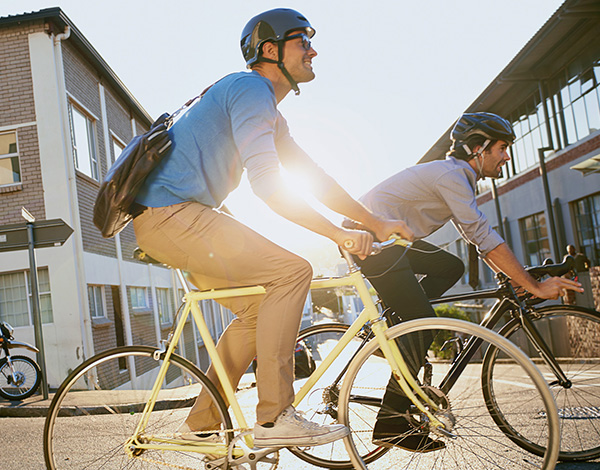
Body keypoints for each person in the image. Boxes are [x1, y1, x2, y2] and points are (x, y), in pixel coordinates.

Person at [132, 8, 413, 450]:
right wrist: (336, 235)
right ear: (270, 50)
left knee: (256, 310)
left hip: (173, 219)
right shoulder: (250, 88)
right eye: (303, 41)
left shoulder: (265, 109)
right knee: (292, 272)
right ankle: (275, 416)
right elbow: (268, 185)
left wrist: (374, 222)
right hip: (173, 215)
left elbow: (311, 174)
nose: (314, 50)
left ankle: (201, 424)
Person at [346, 112, 584, 452]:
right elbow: (482, 235)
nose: (507, 156)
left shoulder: (458, 178)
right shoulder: (451, 176)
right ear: (478, 149)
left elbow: (477, 239)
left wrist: (513, 275)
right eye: (502, 148)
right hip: (371, 241)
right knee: (422, 326)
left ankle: (400, 321)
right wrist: (532, 285)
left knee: (449, 266)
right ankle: (391, 422)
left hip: (391, 243)